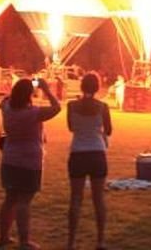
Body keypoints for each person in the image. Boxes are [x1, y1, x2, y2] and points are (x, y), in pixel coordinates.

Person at [0, 77, 61, 249]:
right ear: (29, 95)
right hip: (29, 161)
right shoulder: (33, 113)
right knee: (24, 201)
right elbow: (57, 107)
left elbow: (5, 101)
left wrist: (23, 87)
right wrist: (46, 89)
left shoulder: (7, 108)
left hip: (10, 159)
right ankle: (24, 241)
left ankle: (3, 236)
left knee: (9, 199)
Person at [66, 72, 111, 250]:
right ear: (97, 87)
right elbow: (109, 130)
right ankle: (100, 241)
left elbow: (71, 128)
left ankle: (71, 242)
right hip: (97, 153)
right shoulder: (103, 107)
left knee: (75, 199)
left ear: (82, 86)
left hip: (78, 153)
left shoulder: (71, 106)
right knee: (98, 199)